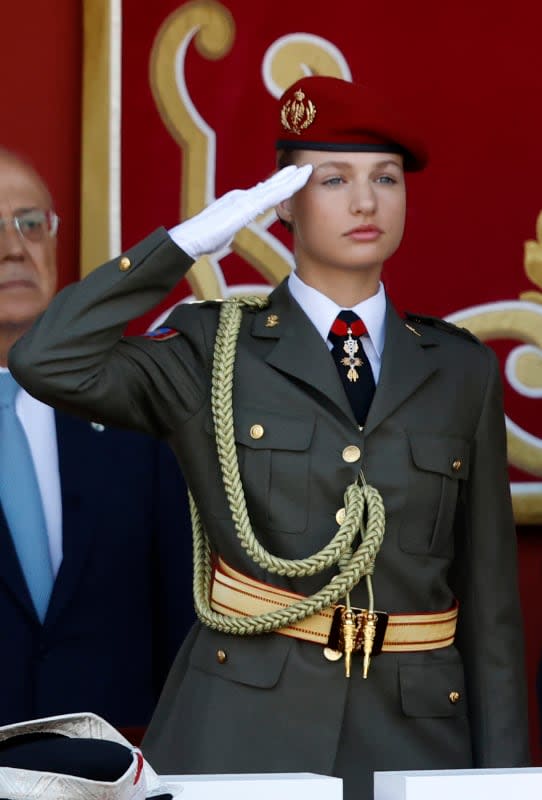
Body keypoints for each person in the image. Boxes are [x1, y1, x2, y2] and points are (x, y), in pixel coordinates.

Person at [9, 77, 529, 797]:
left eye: (386, 178)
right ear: (283, 201)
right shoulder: (214, 348)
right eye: (333, 179)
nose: (365, 201)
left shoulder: (459, 368)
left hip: (415, 735)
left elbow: (491, 611)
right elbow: (47, 359)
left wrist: (501, 782)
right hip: (243, 726)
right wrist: (184, 245)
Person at [0, 148, 194, 730]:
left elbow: (179, 615)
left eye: (30, 224)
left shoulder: (137, 410)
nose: (14, 248)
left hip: (118, 763)